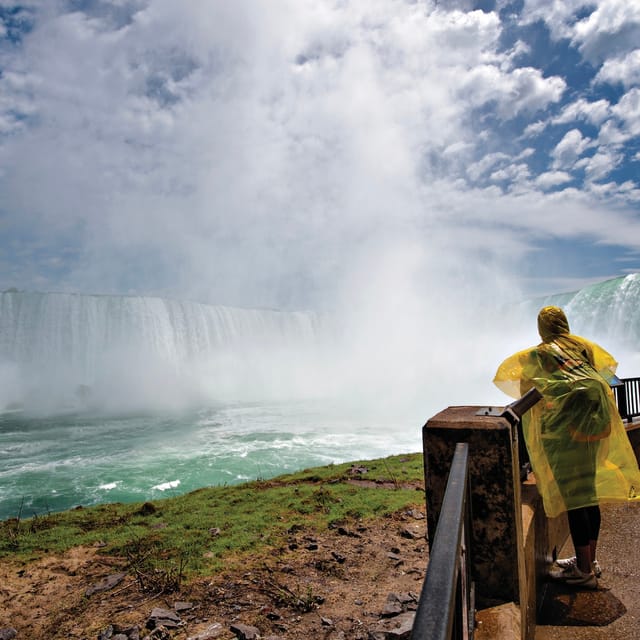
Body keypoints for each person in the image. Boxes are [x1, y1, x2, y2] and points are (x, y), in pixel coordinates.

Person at [493, 306, 640, 589]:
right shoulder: (582, 346)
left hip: (566, 437)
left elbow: (521, 384)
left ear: (542, 328)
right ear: (564, 323)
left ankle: (584, 573)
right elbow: (608, 373)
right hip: (595, 430)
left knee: (575, 501)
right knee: (589, 496)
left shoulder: (540, 354)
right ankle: (590, 560)